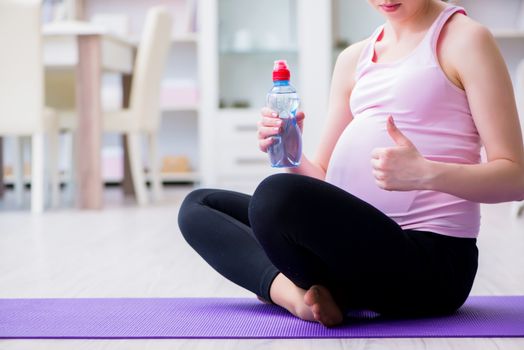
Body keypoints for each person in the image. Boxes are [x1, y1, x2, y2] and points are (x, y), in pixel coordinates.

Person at [178, 0, 524, 327]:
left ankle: (299, 294)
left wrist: (426, 174)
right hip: (352, 251)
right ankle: (298, 298)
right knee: (199, 206)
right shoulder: (353, 58)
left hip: (430, 264)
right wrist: (289, 152)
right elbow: (323, 180)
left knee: (275, 196)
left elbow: (515, 177)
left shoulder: (466, 39)